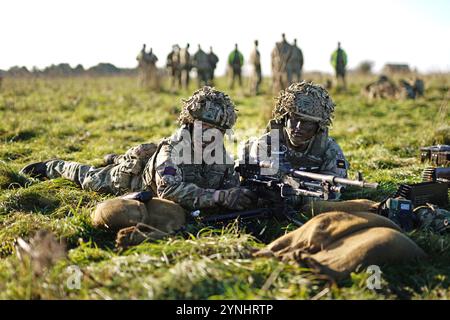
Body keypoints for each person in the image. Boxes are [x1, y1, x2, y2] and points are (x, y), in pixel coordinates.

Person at [20, 87, 256, 212]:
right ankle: (53, 166)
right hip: (131, 181)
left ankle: (115, 156)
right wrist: (218, 196)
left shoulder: (220, 154)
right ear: (191, 122)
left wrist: (242, 195)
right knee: (90, 178)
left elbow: (230, 185)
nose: (210, 135)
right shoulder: (172, 150)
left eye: (217, 130)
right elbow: (169, 191)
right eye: (205, 126)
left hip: (154, 168)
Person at [247, 81, 349, 182]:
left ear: (318, 127)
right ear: (285, 119)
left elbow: (336, 186)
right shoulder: (265, 144)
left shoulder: (330, 150)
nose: (299, 127)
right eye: (295, 119)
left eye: (307, 122)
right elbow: (251, 181)